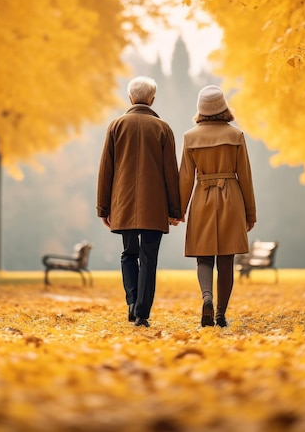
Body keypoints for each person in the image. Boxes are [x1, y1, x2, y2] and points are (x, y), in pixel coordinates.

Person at [97, 76, 181, 328]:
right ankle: (142, 312)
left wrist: (103, 207)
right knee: (149, 257)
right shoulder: (163, 128)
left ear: (130, 98)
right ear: (152, 99)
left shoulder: (115, 126)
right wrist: (174, 209)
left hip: (122, 202)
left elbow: (106, 170)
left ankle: (132, 302)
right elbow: (171, 173)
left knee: (128, 253)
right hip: (154, 206)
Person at [177, 85, 256, 327]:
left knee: (203, 258)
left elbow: (186, 178)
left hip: (202, 198)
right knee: (226, 260)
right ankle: (220, 314)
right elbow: (245, 176)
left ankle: (207, 299)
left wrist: (178, 211)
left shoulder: (190, 138)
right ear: (224, 108)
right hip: (231, 198)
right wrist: (250, 213)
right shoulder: (236, 136)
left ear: (201, 109)